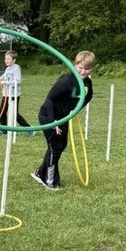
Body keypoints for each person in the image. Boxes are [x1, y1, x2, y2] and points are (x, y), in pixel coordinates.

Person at [31, 50, 96, 191]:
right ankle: (50, 181)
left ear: (91, 69)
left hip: (64, 118)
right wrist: (53, 121)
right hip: (49, 116)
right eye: (80, 67)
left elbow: (88, 97)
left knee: (60, 146)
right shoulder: (66, 81)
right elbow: (49, 100)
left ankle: (39, 173)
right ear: (75, 65)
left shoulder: (88, 84)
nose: (83, 71)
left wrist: (75, 110)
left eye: (87, 69)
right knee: (55, 147)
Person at [0, 50, 33, 136]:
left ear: (14, 60)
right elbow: (3, 76)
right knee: (1, 113)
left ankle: (30, 129)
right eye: (5, 59)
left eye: (8, 59)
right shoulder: (7, 68)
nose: (6, 60)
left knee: (14, 114)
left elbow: (17, 81)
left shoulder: (16, 68)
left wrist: (5, 83)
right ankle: (4, 130)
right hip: (6, 94)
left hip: (13, 95)